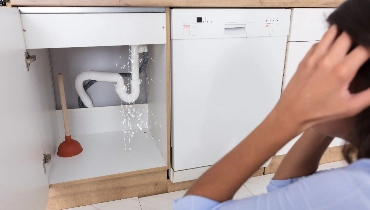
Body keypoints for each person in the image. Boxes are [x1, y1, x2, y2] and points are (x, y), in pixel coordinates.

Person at [173, 0, 370, 209]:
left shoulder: (357, 188)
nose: (315, 69)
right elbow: (288, 189)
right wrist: (324, 108)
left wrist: (287, 116)